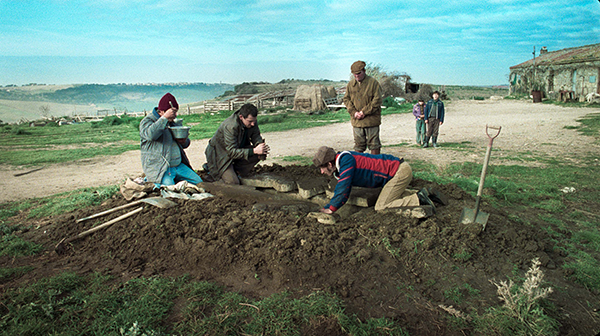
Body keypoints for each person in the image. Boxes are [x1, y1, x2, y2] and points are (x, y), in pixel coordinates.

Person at [313, 146, 437, 214]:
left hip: (399, 171)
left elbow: (343, 188)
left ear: (329, 164)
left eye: (322, 168)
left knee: (381, 207)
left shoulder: (346, 160)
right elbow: (345, 190)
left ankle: (418, 199)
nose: (322, 172)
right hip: (394, 173)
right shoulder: (341, 167)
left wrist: (331, 208)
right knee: (389, 195)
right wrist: (328, 206)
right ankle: (426, 193)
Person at [140, 93, 202, 187]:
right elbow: (150, 135)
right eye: (173, 113)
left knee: (199, 183)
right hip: (161, 168)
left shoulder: (173, 122)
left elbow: (186, 143)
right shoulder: (148, 121)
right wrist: (164, 118)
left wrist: (183, 141)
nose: (175, 115)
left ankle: (174, 178)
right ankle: (152, 179)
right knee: (170, 189)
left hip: (178, 166)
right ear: (162, 111)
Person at [204, 103, 270, 184]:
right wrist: (254, 150)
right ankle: (213, 170)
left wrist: (260, 145)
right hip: (220, 154)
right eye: (250, 121)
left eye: (254, 121)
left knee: (259, 154)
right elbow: (231, 152)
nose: (253, 124)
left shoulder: (251, 121)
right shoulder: (231, 126)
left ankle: (235, 170)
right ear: (241, 117)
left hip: (236, 149)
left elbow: (255, 135)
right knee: (233, 182)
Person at [342, 60, 383, 155]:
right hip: (357, 121)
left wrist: (364, 112)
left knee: (374, 145)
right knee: (358, 146)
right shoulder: (350, 85)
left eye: (359, 73)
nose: (356, 76)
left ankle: (375, 166)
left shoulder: (373, 83)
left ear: (364, 71)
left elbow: (377, 100)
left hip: (371, 120)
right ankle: (360, 166)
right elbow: (346, 99)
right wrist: (354, 112)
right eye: (354, 74)